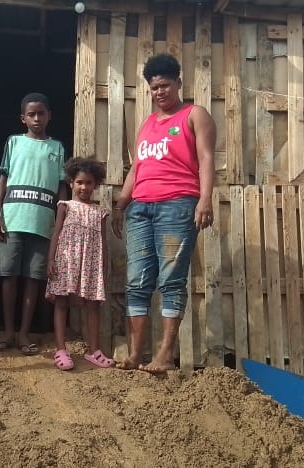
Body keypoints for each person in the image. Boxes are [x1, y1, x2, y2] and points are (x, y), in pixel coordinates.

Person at [111, 53, 216, 375]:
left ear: (178, 83)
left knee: (171, 280)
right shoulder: (147, 125)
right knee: (137, 282)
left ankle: (165, 355)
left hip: (177, 205)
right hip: (141, 209)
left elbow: (207, 158)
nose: (160, 92)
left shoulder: (194, 115)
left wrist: (205, 199)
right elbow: (137, 169)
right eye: (154, 87)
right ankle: (134, 355)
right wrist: (121, 204)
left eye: (165, 85)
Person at [0, 93, 68, 355]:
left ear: (49, 116)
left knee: (33, 279)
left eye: (41, 113)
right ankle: (9, 331)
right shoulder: (14, 142)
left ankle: (25, 332)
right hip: (12, 219)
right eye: (31, 114)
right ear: (23, 118)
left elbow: (61, 187)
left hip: (43, 223)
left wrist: (61, 216)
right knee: (8, 276)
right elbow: (3, 179)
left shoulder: (56, 148)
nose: (37, 118)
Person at [45, 158, 116, 371]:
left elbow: (103, 241)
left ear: (95, 185)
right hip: (67, 260)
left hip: (91, 263)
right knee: (61, 302)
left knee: (93, 304)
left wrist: (105, 264)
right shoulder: (65, 206)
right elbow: (56, 233)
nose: (84, 187)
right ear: (71, 184)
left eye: (89, 183)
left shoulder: (100, 212)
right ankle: (60, 349)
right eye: (79, 182)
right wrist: (51, 259)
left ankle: (94, 351)